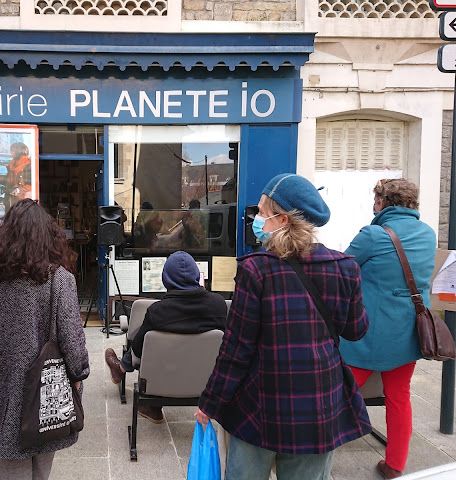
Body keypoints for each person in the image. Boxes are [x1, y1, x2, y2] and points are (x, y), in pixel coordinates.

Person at [195, 173, 371, 480]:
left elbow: (236, 350)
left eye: (262, 213)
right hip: (319, 407)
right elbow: (356, 330)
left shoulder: (256, 270)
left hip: (260, 408)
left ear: (283, 219)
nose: (256, 219)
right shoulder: (345, 268)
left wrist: (210, 402)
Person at [0, 198, 89, 480]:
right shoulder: (58, 278)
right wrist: (78, 372)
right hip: (48, 384)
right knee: (43, 458)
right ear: (48, 236)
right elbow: (72, 334)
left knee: (11, 463)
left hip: (2, 387)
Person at [339, 178, 436, 479]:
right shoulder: (428, 234)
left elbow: (341, 268)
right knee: (399, 396)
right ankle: (395, 464)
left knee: (337, 393)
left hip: (367, 334)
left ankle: (312, 449)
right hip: (407, 333)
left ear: (382, 203)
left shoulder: (373, 235)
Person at [105, 250, 227, 423]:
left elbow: (138, 352)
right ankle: (149, 406)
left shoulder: (158, 311)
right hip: (205, 383)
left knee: (146, 343)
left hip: (164, 380)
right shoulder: (218, 305)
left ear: (166, 279)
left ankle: (124, 372)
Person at [5, 142, 32, 211]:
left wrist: (18, 190)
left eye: (13, 150)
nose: (11, 152)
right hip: (12, 196)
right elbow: (10, 181)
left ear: (19, 151)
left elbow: (31, 183)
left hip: (24, 198)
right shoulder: (12, 164)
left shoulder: (28, 165)